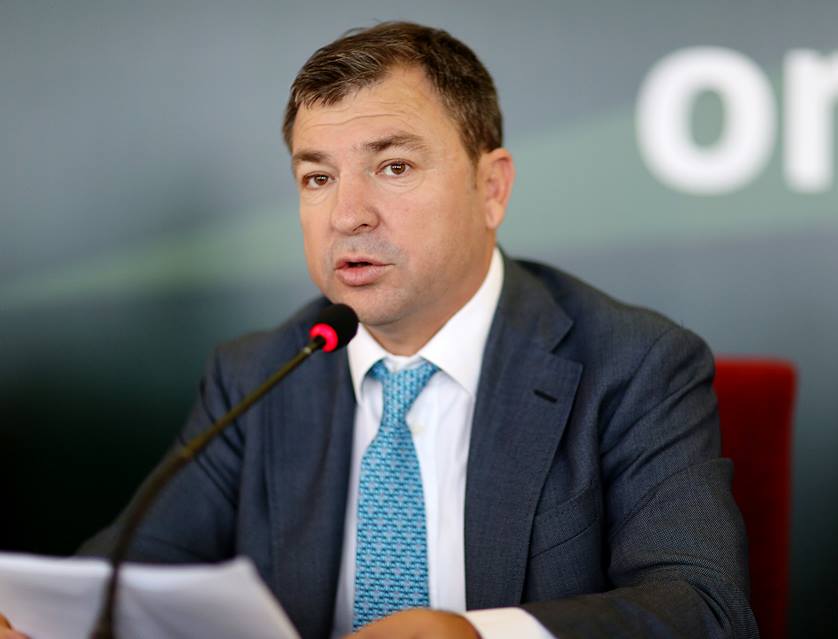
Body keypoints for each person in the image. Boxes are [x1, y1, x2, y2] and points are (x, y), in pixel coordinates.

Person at [1, 22, 756, 639]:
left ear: (491, 188)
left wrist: (475, 637)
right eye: (317, 177)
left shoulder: (633, 364)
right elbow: (125, 578)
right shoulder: (259, 374)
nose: (347, 215)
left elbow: (704, 607)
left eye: (393, 167)